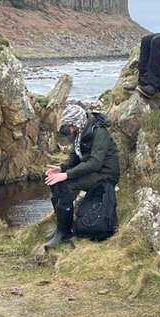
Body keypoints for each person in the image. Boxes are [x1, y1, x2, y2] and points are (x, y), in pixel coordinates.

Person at [44, 104, 120, 248]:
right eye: (69, 126)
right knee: (53, 182)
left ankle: (65, 234)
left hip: (106, 175)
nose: (71, 129)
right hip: (93, 171)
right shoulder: (81, 131)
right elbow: (74, 158)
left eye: (72, 125)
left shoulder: (99, 133)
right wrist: (60, 168)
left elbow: (95, 163)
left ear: (79, 121)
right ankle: (61, 228)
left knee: (65, 185)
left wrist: (66, 175)